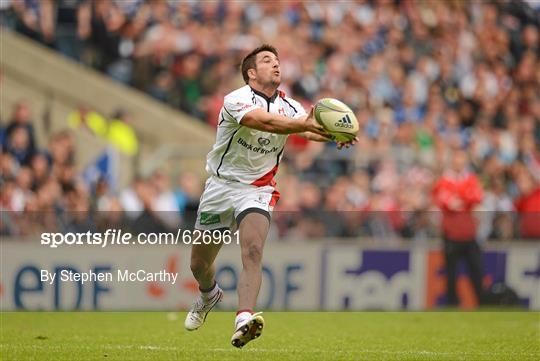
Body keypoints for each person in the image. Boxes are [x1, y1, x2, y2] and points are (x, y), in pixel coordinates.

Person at [184, 44, 357, 348]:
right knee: (199, 264)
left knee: (252, 249)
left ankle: (243, 318)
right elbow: (262, 122)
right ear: (251, 72)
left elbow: (307, 129)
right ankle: (208, 293)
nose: (276, 65)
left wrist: (334, 134)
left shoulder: (289, 107)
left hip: (257, 189)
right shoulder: (236, 99)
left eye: (277, 61)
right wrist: (307, 124)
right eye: (267, 61)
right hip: (221, 187)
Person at [433, 149, 484, 306]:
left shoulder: (470, 178)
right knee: (451, 274)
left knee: (476, 271)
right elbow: (446, 202)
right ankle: (452, 303)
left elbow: (477, 197)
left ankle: (481, 302)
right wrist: (465, 197)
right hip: (451, 235)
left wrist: (459, 197)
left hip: (469, 234)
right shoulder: (444, 180)